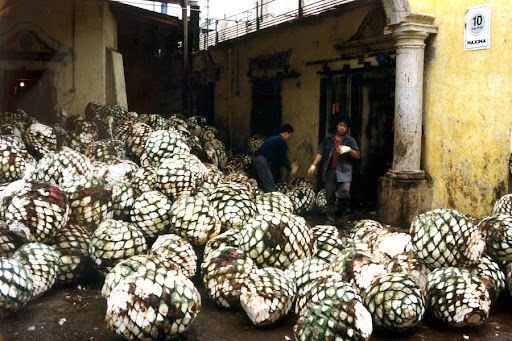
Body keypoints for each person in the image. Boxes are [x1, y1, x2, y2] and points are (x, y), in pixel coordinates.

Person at [307, 114, 360, 225]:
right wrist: (313, 165)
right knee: (329, 196)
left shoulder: (350, 140)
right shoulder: (328, 139)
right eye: (340, 125)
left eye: (345, 126)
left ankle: (344, 220)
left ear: (347, 128)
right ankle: (330, 221)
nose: (342, 128)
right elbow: (320, 152)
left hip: (344, 172)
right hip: (330, 172)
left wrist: (349, 149)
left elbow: (357, 155)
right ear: (336, 125)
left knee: (343, 194)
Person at [252, 124, 298, 192]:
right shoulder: (281, 141)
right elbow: (283, 158)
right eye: (289, 136)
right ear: (286, 133)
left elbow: (277, 159)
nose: (289, 138)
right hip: (261, 162)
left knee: (262, 186)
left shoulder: (274, 138)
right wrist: (291, 168)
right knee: (270, 188)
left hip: (257, 160)